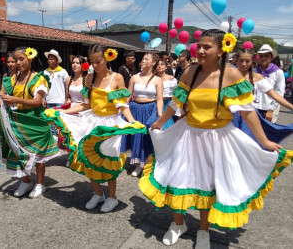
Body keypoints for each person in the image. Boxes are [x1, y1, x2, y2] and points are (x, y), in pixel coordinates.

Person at [139, 29, 292, 248]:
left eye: (206, 47)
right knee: (175, 180)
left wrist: (264, 141)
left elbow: (248, 112)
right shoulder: (190, 72)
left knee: (208, 186)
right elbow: (176, 103)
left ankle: (203, 230)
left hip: (217, 139)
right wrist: (161, 121)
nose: (200, 50)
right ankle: (178, 224)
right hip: (187, 134)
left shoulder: (230, 75)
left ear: (221, 50)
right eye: (198, 45)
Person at [44, 44, 146, 212]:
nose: (95, 65)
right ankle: (98, 193)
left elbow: (122, 106)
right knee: (89, 158)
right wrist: (63, 111)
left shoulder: (117, 78)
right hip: (92, 122)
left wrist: (132, 121)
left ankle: (112, 197)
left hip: (109, 125)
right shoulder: (89, 78)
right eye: (92, 61)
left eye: (98, 61)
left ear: (107, 58)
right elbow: (87, 105)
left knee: (108, 160)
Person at [0, 47, 59, 198]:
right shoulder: (13, 79)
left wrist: (15, 100)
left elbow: (37, 102)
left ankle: (40, 184)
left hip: (35, 120)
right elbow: (6, 99)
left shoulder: (39, 78)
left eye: (21, 59)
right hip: (18, 121)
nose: (18, 63)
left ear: (30, 59)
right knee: (16, 151)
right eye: (16, 60)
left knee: (38, 154)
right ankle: (25, 181)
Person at [233, 48, 293, 144]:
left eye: (247, 61)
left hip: (249, 117)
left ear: (252, 62)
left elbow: (275, 95)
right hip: (230, 118)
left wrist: (291, 107)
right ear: (236, 60)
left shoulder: (257, 77)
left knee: (252, 144)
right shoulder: (227, 74)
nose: (244, 64)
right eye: (241, 60)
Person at [121, 53, 163, 177]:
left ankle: (143, 164)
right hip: (134, 108)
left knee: (145, 137)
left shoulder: (158, 80)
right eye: (143, 59)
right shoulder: (134, 77)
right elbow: (129, 94)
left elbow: (159, 99)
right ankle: (137, 162)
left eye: (146, 59)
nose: (143, 60)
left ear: (154, 62)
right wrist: (122, 108)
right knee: (134, 136)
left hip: (150, 110)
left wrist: (159, 115)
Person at [255, 44, 285, 123]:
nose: (263, 58)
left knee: (268, 133)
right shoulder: (254, 71)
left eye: (266, 56)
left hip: (270, 108)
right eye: (261, 56)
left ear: (271, 57)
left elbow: (279, 92)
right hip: (254, 108)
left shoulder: (278, 72)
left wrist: (271, 110)